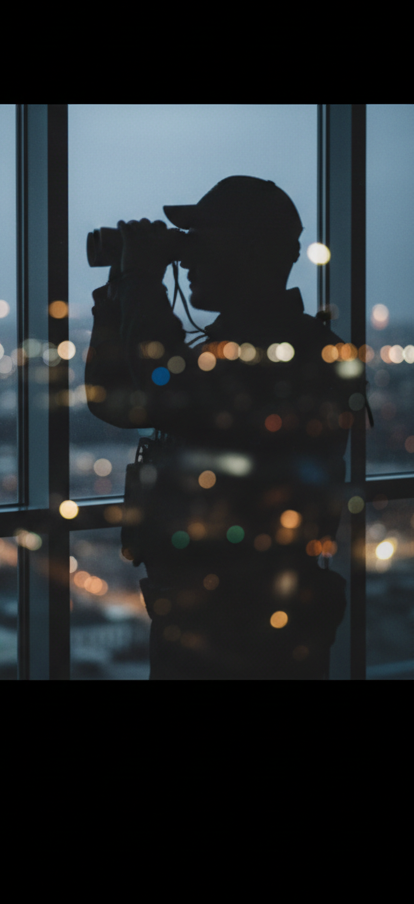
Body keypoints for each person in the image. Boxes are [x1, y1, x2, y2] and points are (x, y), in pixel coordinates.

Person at [85, 176, 355, 679]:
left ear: (247, 251)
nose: (186, 260)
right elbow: (113, 401)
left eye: (199, 242)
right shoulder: (223, 351)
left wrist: (142, 280)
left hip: (253, 626)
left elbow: (167, 394)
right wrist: (118, 294)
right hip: (202, 612)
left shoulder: (292, 352)